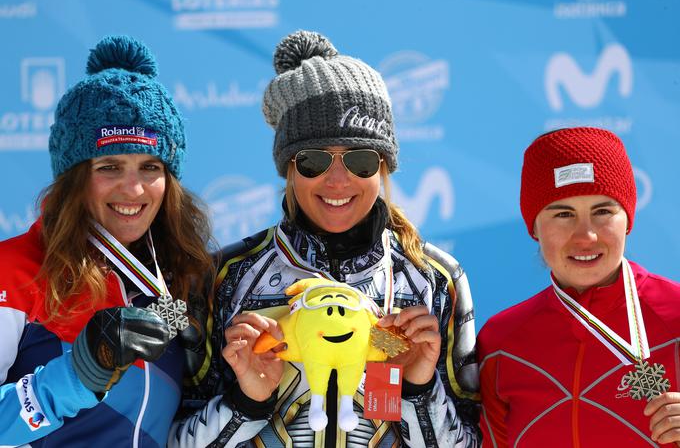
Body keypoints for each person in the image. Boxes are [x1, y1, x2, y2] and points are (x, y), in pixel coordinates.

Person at [170, 30, 480, 447]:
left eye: (360, 158)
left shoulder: (436, 278)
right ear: (288, 168)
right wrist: (244, 401)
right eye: (314, 160)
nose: (337, 179)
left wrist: (419, 391)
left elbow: (473, 439)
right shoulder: (222, 277)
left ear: (384, 165)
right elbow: (171, 437)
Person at [0, 35, 213, 447]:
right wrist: (77, 374)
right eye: (110, 166)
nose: (133, 189)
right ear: (74, 178)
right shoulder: (13, 271)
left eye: (150, 166)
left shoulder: (183, 277)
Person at [477, 127, 680, 447]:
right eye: (563, 214)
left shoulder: (676, 315)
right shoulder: (499, 343)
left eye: (603, 211)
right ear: (534, 227)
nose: (586, 235)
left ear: (627, 219)